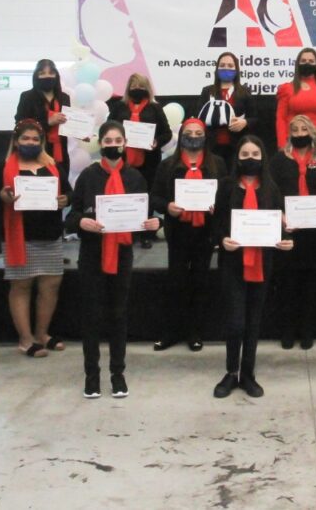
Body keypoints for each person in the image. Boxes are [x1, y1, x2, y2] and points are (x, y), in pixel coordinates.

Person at [66, 121, 161, 399]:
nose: (113, 145)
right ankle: (92, 376)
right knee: (91, 316)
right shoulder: (88, 176)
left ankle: (118, 374)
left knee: (119, 314)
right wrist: (82, 222)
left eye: (118, 140)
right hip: (91, 254)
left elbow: (145, 216)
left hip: (122, 254)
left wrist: (153, 223)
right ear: (101, 143)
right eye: (108, 141)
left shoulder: (135, 178)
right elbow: (71, 217)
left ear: (125, 143)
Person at [0, 119, 72, 359]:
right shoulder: (2, 168)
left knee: (51, 285)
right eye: (25, 138)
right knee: (21, 286)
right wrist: (1, 197)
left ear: (42, 142)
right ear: (16, 141)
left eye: (35, 139)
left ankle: (42, 334)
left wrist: (66, 200)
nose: (30, 143)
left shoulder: (53, 167)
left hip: (50, 236)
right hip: (19, 237)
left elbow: (69, 192)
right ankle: (25, 339)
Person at [212, 136, 293, 399]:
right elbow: (217, 223)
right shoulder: (226, 186)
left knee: (253, 322)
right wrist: (222, 240)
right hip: (232, 263)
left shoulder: (271, 188)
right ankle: (230, 372)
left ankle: (248, 374)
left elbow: (279, 223)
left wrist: (285, 239)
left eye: (255, 154)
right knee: (235, 322)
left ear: (263, 158)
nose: (250, 159)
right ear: (237, 158)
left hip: (262, 262)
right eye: (245, 154)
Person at [150, 118, 227, 352]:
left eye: (198, 133)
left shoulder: (217, 164)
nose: (193, 136)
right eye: (189, 132)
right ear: (182, 135)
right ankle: (171, 332)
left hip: (206, 233)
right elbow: (155, 197)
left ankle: (195, 332)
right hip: (178, 232)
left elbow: (227, 196)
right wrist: (168, 207)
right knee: (176, 283)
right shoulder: (167, 166)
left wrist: (217, 207)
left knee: (200, 282)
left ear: (205, 136)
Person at [270, 115, 316, 350]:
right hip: (288, 229)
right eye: (295, 130)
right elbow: (271, 191)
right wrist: (280, 215)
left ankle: (308, 330)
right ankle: (287, 330)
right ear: (289, 134)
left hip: (315, 231)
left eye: (303, 129)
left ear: (312, 132)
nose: (299, 133)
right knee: (287, 282)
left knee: (311, 282)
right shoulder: (279, 160)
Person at [109, 73, 172, 248]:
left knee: (146, 195)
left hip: (149, 161)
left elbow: (167, 133)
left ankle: (145, 233)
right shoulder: (119, 107)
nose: (137, 89)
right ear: (128, 88)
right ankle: (124, 231)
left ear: (148, 89)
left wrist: (156, 142)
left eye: (141, 86)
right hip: (122, 160)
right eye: (134, 86)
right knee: (123, 193)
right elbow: (108, 128)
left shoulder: (155, 108)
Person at [195, 52, 257, 168]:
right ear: (217, 69)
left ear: (236, 69)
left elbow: (255, 118)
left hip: (236, 145)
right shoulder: (207, 91)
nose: (226, 68)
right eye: (222, 65)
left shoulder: (244, 92)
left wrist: (245, 122)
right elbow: (198, 118)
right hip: (211, 146)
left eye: (230, 66)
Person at [276, 48, 316, 160]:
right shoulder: (287, 89)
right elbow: (281, 118)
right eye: (303, 61)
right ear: (298, 64)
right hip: (294, 141)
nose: (307, 63)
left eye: (311, 61)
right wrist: (282, 144)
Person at [15, 59, 71, 171]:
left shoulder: (64, 98)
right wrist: (47, 122)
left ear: (56, 76)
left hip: (60, 151)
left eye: (51, 73)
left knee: (61, 179)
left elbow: (68, 123)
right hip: (34, 150)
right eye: (42, 73)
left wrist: (82, 133)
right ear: (36, 76)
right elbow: (20, 125)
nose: (47, 76)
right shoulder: (27, 97)